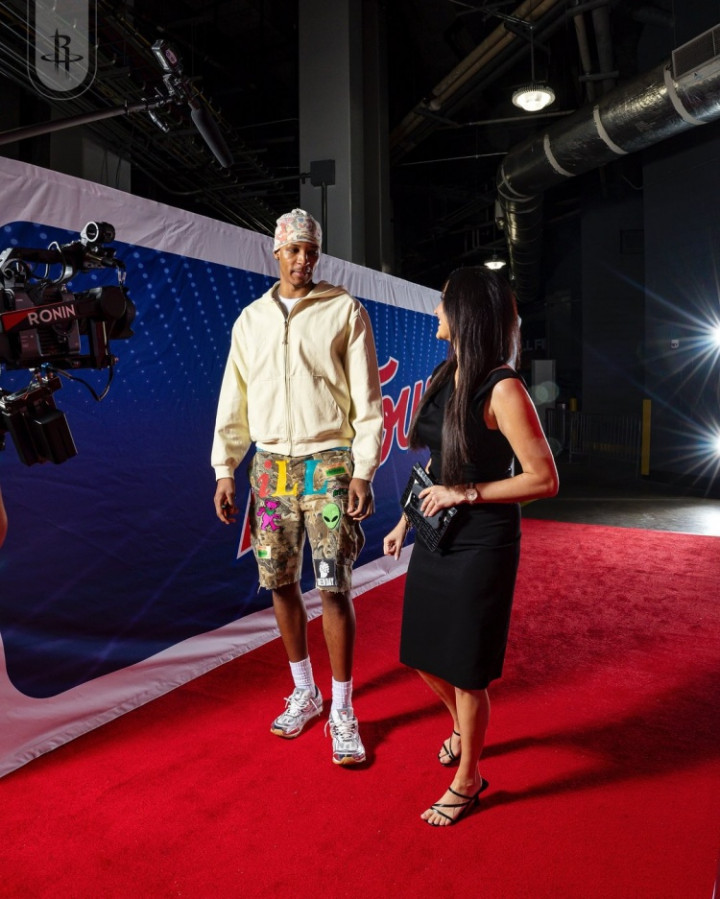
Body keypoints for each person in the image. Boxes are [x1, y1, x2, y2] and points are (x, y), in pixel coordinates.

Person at [383, 266, 558, 825]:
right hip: (439, 534)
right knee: (421, 654)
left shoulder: (504, 387)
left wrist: (467, 492)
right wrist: (406, 520)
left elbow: (543, 479)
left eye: (443, 303)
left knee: (466, 668)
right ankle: (462, 725)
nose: (436, 311)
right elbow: (438, 464)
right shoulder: (447, 371)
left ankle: (469, 778)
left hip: (483, 542)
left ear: (465, 313)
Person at [212, 208, 383, 766]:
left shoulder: (344, 310)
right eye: (293, 250)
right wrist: (224, 467)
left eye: (311, 251)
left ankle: (342, 709)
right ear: (277, 253)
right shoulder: (250, 321)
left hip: (329, 465)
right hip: (270, 471)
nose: (303, 260)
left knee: (333, 584)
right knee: (280, 582)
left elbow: (368, 401)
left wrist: (363, 470)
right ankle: (305, 691)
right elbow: (233, 400)